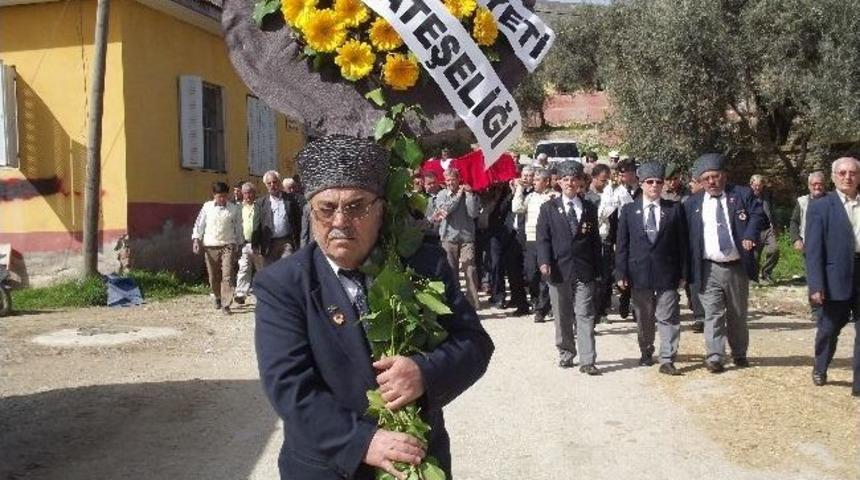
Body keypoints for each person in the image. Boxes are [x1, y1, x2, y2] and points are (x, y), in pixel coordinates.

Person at [254, 135, 494, 479]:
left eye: (356, 207)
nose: (340, 221)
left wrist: (424, 372)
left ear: (380, 209)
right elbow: (288, 385)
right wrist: (362, 441)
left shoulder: (424, 264)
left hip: (416, 458)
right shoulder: (283, 284)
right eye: (326, 209)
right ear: (310, 212)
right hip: (329, 467)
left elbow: (474, 343)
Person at [684, 153, 767, 373]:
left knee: (737, 314)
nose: (712, 181)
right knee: (713, 313)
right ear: (701, 181)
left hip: (736, 266)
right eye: (706, 178)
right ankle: (715, 356)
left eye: (716, 176)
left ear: (725, 175)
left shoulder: (741, 194)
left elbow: (758, 215)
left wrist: (750, 234)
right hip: (708, 267)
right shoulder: (692, 203)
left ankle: (739, 353)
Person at [615, 162, 688, 375]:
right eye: (649, 182)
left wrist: (684, 272)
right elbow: (622, 245)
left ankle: (667, 358)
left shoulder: (674, 209)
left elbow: (683, 244)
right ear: (641, 183)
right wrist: (620, 273)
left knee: (668, 317)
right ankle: (646, 350)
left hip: (667, 272)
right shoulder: (629, 211)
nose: (654, 185)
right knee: (644, 317)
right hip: (639, 273)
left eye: (658, 182)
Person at [536, 161, 603, 375]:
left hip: (584, 269)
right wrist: (544, 261)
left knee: (585, 314)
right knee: (562, 314)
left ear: (581, 182)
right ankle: (566, 352)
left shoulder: (589, 207)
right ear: (559, 182)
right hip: (558, 268)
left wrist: (599, 269)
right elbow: (543, 239)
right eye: (565, 179)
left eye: (574, 179)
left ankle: (588, 360)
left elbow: (595, 241)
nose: (570, 183)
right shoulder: (548, 208)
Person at [804, 157, 860, 397]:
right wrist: (816, 285)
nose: (848, 177)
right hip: (835, 276)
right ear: (834, 177)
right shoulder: (821, 206)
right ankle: (821, 366)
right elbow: (813, 250)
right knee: (829, 328)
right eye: (843, 173)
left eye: (853, 173)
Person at [426, 168, 481, 308]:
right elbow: (445, 210)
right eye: (448, 180)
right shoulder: (441, 195)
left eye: (453, 180)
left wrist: (469, 195)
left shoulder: (467, 193)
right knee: (452, 271)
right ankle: (456, 302)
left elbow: (473, 213)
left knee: (470, 269)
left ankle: (473, 303)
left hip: (466, 237)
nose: (450, 183)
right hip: (448, 237)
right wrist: (457, 197)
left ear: (458, 179)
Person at [192, 181, 244, 314]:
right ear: (214, 195)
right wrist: (196, 240)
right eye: (219, 196)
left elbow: (238, 227)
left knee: (228, 274)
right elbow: (199, 224)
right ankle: (217, 297)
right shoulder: (207, 207)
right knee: (213, 276)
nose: (222, 199)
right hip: (210, 245)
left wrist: (239, 244)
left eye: (224, 196)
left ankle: (226, 304)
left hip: (228, 244)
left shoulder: (234, 208)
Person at [513, 167, 556, 322]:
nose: (534, 182)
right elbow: (517, 208)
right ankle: (537, 300)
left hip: (546, 240)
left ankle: (542, 308)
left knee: (545, 274)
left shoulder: (553, 197)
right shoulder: (530, 196)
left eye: (538, 180)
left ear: (546, 182)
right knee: (531, 274)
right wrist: (519, 189)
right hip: (530, 239)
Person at [790, 171, 827, 322]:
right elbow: (794, 222)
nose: (817, 187)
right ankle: (816, 310)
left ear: (825, 185)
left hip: (830, 246)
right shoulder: (803, 201)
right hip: (810, 246)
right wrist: (796, 239)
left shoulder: (832, 200)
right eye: (814, 184)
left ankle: (831, 309)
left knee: (830, 277)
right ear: (809, 186)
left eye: (820, 184)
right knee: (814, 278)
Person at [587, 163, 614, 323]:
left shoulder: (609, 195)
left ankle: (601, 310)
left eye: (607, 180)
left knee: (605, 277)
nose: (605, 184)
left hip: (606, 240)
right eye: (603, 180)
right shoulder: (587, 197)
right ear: (594, 178)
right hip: (592, 241)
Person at [258, 170, 303, 266]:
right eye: (269, 183)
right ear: (266, 185)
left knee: (287, 268)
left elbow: (298, 221)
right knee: (270, 271)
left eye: (274, 182)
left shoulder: (290, 200)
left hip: (287, 242)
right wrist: (256, 244)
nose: (272, 185)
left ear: (279, 182)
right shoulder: (261, 203)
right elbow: (258, 225)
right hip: (269, 243)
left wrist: (299, 242)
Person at [235, 182, 262, 305]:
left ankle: (263, 293)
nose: (248, 195)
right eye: (245, 193)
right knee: (244, 268)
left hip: (257, 243)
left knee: (261, 269)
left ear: (254, 193)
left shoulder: (260, 206)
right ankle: (240, 294)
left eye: (250, 192)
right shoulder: (239, 208)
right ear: (242, 194)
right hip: (244, 243)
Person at [750, 174, 780, 283]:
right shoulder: (746, 196)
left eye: (760, 185)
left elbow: (772, 211)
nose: (758, 187)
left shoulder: (767, 196)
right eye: (755, 185)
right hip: (754, 229)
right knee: (755, 256)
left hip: (768, 228)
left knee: (774, 249)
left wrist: (776, 225)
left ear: (763, 185)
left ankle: (766, 273)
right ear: (751, 184)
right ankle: (753, 277)